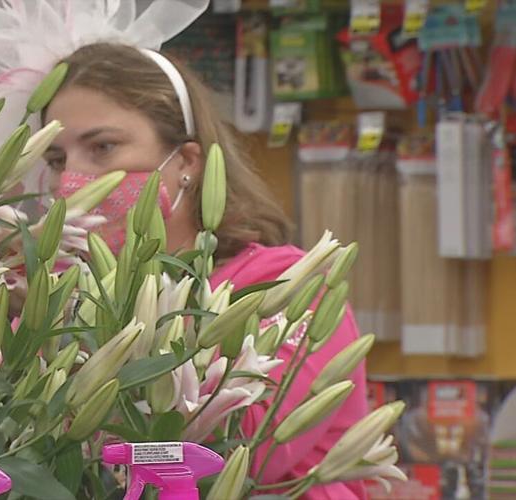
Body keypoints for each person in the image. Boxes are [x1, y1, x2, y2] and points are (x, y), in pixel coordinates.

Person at [41, 42, 370, 499]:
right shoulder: (61, 298)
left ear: (187, 163)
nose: (69, 182)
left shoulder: (289, 286)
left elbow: (245, 450)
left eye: (103, 147)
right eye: (56, 160)